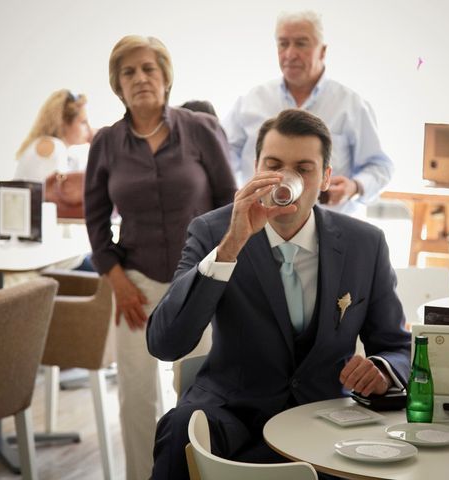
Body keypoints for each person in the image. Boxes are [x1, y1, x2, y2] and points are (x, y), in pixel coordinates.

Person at [148, 109, 411, 479]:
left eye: (304, 168)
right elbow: (165, 343)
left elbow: (397, 345)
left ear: (325, 179)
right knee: (178, 429)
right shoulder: (213, 231)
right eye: (273, 165)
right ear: (256, 169)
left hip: (327, 420)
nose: (287, 179)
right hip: (233, 414)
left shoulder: (364, 243)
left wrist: (381, 369)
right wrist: (231, 247)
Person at [84, 35, 237, 479]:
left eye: (149, 68)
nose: (140, 78)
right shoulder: (106, 143)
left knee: (199, 388)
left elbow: (231, 205)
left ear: (166, 77)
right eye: (128, 72)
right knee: (135, 395)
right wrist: (116, 279)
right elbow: (95, 222)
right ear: (117, 85)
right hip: (135, 284)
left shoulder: (201, 129)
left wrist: (219, 274)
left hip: (203, 280)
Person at [223, 10, 393, 216]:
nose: (290, 54)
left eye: (301, 43)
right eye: (283, 44)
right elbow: (222, 160)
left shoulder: (352, 106)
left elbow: (379, 167)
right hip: (260, 229)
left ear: (322, 50)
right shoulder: (250, 102)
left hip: (331, 232)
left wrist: (354, 187)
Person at [14, 89, 93, 182]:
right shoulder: (55, 146)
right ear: (63, 122)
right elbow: (61, 192)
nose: (89, 128)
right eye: (83, 122)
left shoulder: (55, 147)